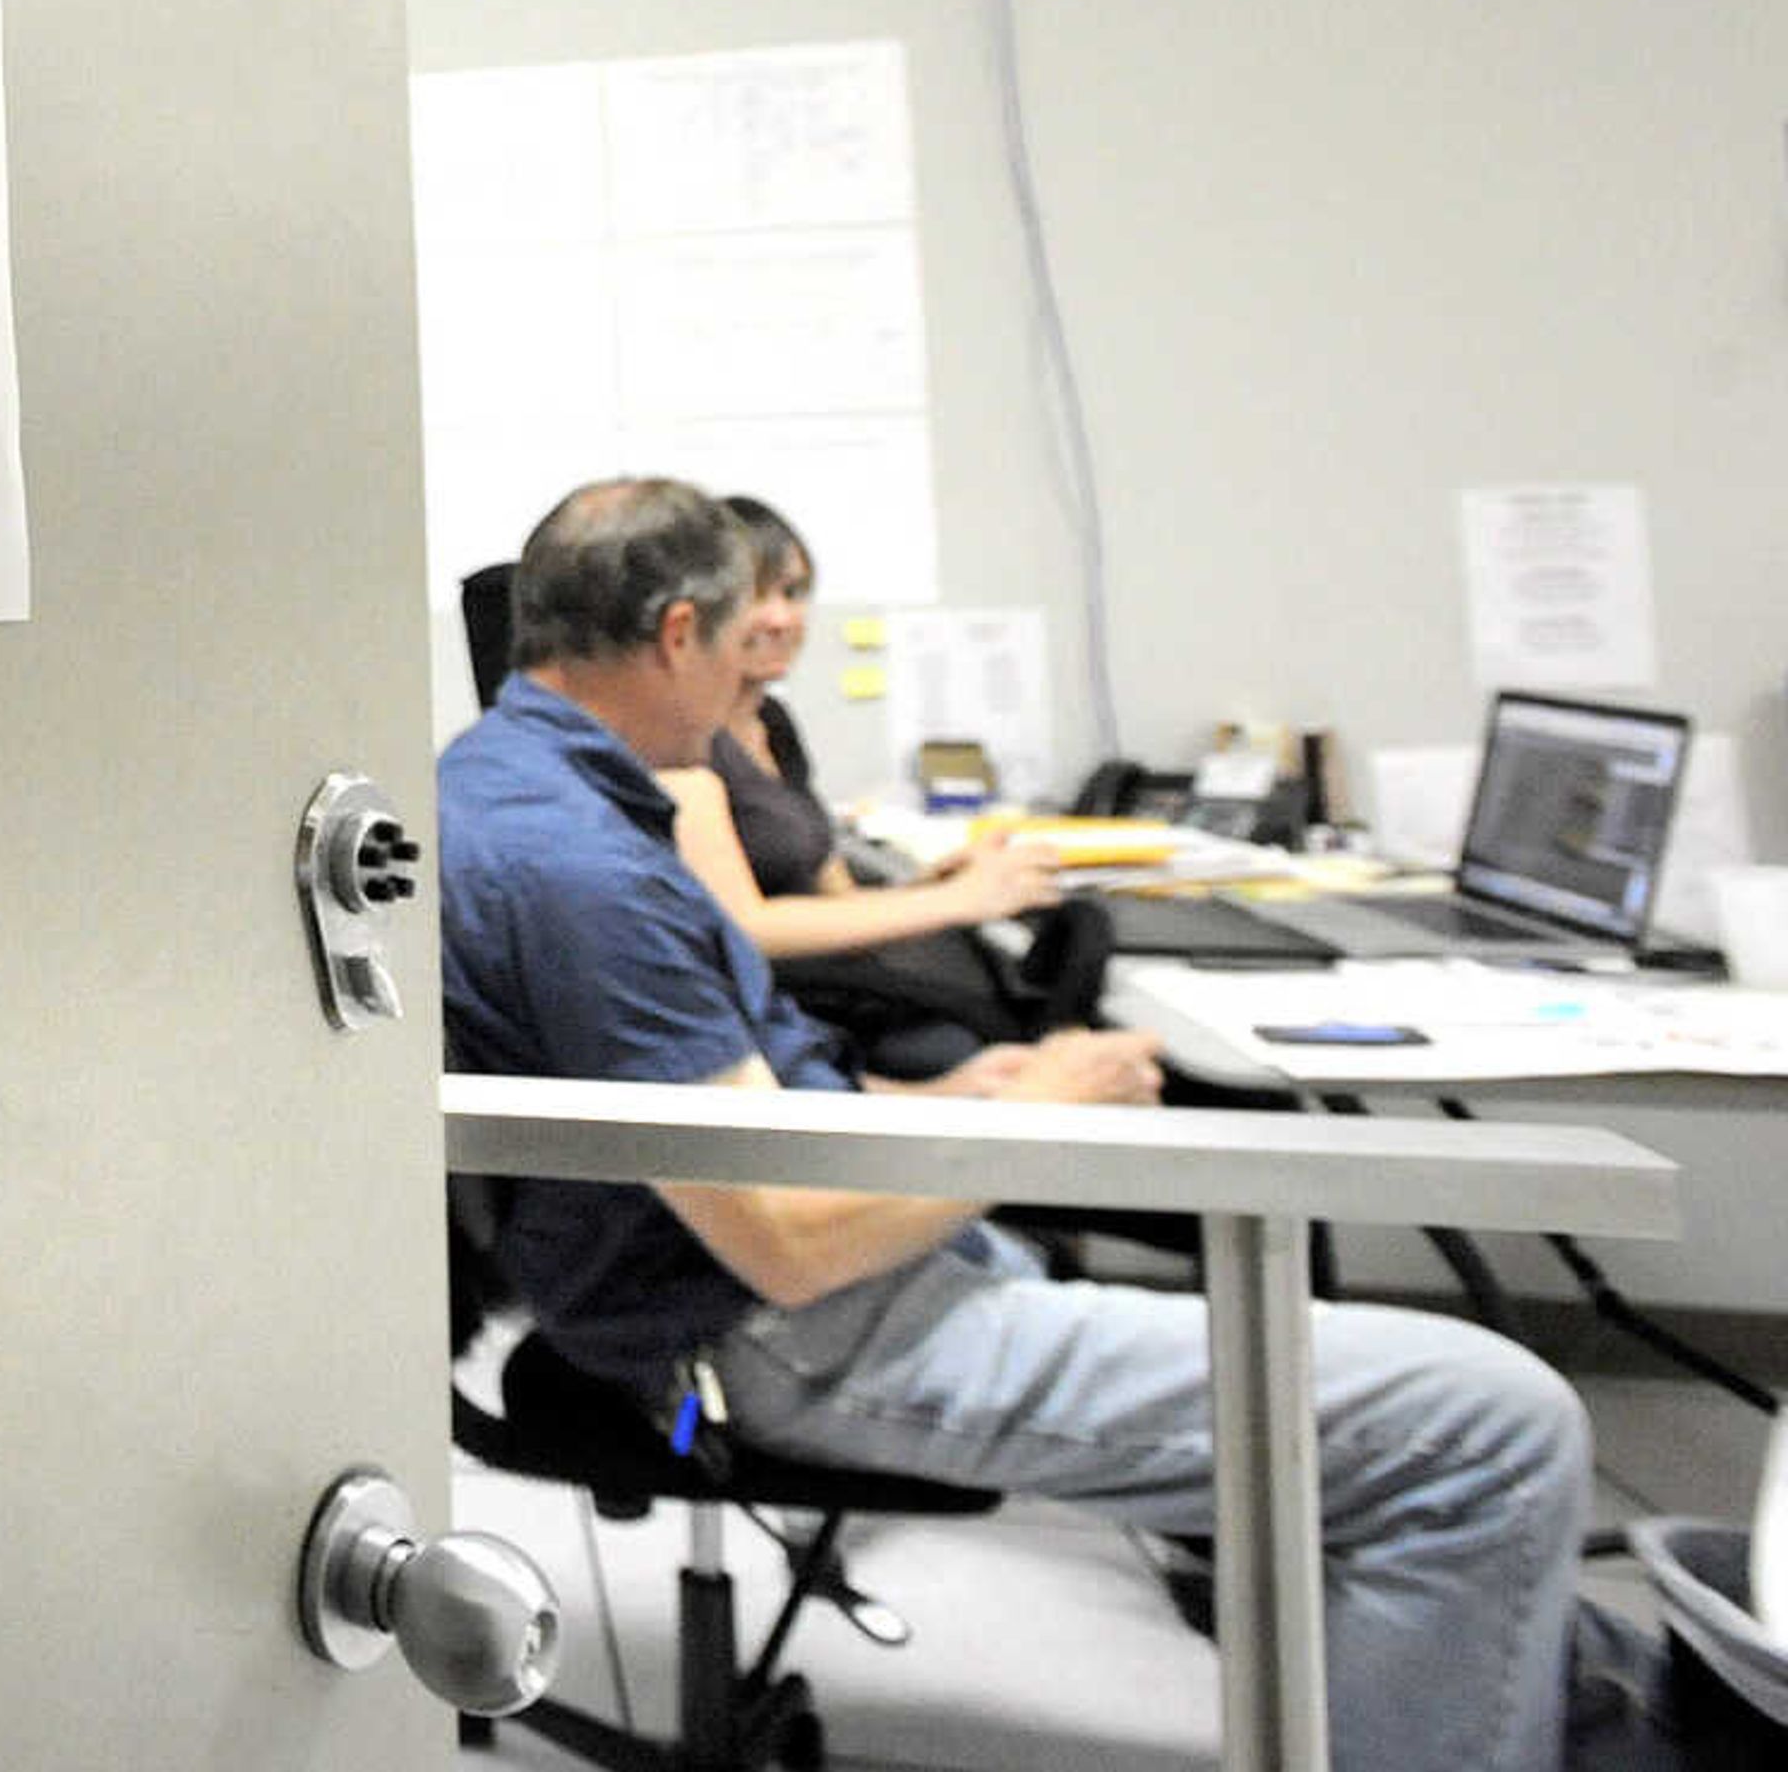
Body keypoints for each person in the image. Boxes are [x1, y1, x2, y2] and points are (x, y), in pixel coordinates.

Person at [438, 475, 1673, 1772]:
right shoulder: (589, 874)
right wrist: (1046, 1111)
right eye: (748, 633)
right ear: (680, 632)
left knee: (1451, 1487)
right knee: (1493, 1425)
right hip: (791, 1334)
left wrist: (954, 1101)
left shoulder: (509, 785)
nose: (763, 666)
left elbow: (742, 1118)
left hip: (768, 1291)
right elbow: (788, 1242)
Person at [657, 492, 1109, 1077]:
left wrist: (938, 884)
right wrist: (957, 901)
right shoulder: (682, 743)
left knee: (1081, 934)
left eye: (793, 593)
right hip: (784, 1000)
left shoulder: (772, 724)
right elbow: (747, 926)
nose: (781, 618)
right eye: (755, 596)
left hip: (840, 976)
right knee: (977, 1044)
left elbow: (838, 900)